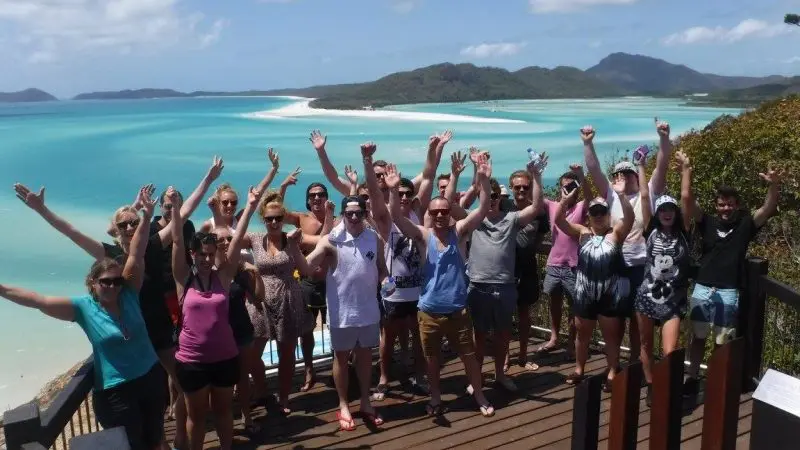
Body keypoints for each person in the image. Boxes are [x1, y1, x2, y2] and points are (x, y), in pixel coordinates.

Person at [14, 158, 222, 449]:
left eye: (133, 223)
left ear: (140, 225)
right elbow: (71, 232)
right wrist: (42, 210)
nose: (128, 227)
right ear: (115, 229)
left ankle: (180, 436)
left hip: (159, 327)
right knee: (150, 405)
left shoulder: (150, 244)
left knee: (182, 382)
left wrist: (208, 180)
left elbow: (184, 211)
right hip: (130, 339)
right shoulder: (107, 256)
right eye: (123, 224)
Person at [3, 188, 165, 450]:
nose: (112, 286)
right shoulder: (83, 308)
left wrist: (146, 217)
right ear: (92, 282)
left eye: (116, 281)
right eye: (105, 282)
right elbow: (37, 300)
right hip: (116, 392)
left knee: (156, 440)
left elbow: (136, 253)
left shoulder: (130, 294)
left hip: (151, 379)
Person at [386, 155, 496, 418]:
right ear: (429, 214)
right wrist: (392, 190)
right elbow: (397, 219)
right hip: (429, 312)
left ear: (449, 213)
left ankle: (479, 394)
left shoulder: (459, 232)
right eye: (434, 212)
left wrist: (482, 179)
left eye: (443, 212)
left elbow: (482, 210)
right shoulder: (424, 238)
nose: (438, 216)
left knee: (469, 357)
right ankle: (436, 397)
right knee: (432, 360)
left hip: (458, 310)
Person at [679, 151, 782, 397]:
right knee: (698, 337)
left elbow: (767, 209)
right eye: (721, 204)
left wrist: (774, 184)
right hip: (703, 287)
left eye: (730, 204)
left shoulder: (745, 225)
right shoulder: (707, 222)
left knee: (722, 341)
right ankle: (692, 377)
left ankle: (717, 378)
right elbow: (687, 199)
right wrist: (686, 170)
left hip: (728, 290)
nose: (725, 208)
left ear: (737, 206)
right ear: (716, 206)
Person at [170, 182, 263, 450]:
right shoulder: (182, 279)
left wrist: (251, 205)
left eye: (210, 255)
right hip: (191, 361)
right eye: (200, 255)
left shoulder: (223, 277)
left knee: (224, 412)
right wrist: (176, 208)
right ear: (192, 254)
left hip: (225, 357)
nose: (206, 260)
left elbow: (237, 237)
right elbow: (176, 240)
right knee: (197, 417)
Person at [360, 137, 444, 400]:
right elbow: (374, 193)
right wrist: (368, 161)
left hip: (419, 290)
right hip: (394, 292)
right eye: (401, 194)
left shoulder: (419, 215)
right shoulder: (384, 218)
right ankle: (384, 378)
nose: (405, 197)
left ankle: (419, 377)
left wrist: (433, 149)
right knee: (389, 339)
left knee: (419, 340)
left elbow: (429, 174)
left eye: (409, 193)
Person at [582, 122, 673, 361]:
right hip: (616, 266)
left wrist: (664, 139)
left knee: (639, 320)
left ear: (635, 174)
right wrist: (588, 143)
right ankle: (614, 367)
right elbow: (594, 170)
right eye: (617, 174)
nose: (621, 177)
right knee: (615, 317)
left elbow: (662, 164)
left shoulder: (650, 190)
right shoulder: (612, 195)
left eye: (626, 173)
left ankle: (636, 364)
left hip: (642, 267)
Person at [299, 195, 390, 431]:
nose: (353, 217)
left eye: (358, 212)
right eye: (348, 213)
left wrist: (386, 281)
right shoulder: (331, 240)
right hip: (342, 314)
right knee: (340, 358)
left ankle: (366, 402)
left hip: (369, 311)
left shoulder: (374, 238)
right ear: (342, 214)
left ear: (364, 213)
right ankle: (343, 404)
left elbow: (382, 269)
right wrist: (292, 247)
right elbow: (307, 268)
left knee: (365, 357)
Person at [467, 159, 545, 392]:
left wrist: (537, 177)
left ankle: (500, 374)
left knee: (502, 335)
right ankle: (477, 377)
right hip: (478, 284)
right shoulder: (474, 219)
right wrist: (477, 177)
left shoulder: (511, 219)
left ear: (500, 198)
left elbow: (536, 206)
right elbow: (451, 206)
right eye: (486, 196)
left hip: (505, 285)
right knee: (478, 336)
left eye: (494, 196)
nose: (491, 200)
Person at [555, 187, 634, 391]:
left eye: (602, 212)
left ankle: (612, 371)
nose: (598, 216)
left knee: (611, 337)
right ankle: (579, 370)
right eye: (594, 212)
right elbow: (559, 221)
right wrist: (564, 202)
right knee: (582, 335)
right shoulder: (582, 232)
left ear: (608, 214)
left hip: (609, 295)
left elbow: (631, 218)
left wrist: (622, 196)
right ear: (588, 216)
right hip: (584, 294)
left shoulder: (616, 233)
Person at [246, 191, 317, 415]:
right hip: (261, 301)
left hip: (288, 300)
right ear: (263, 220)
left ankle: (284, 398)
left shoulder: (292, 240)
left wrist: (298, 249)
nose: (274, 222)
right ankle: (262, 390)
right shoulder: (255, 239)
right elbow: (230, 235)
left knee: (286, 354)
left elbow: (305, 270)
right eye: (269, 218)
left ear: (283, 218)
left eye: (278, 218)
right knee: (251, 354)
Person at [278, 171, 336, 392]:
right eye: (312, 196)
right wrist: (283, 186)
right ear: (308, 200)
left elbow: (332, 241)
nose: (317, 198)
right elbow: (277, 213)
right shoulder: (302, 218)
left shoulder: (337, 220)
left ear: (326, 197)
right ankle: (309, 369)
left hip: (330, 283)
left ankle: (336, 366)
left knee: (334, 328)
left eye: (321, 194)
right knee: (306, 331)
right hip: (307, 283)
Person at [149, 188, 195, 423]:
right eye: (167, 205)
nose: (170, 209)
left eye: (175, 204)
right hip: (158, 295)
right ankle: (173, 404)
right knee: (171, 354)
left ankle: (178, 403)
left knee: (178, 352)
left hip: (181, 292)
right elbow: (113, 232)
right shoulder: (150, 228)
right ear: (160, 206)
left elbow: (189, 256)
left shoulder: (187, 226)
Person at [211, 226, 263, 434]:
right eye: (220, 239)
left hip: (241, 330)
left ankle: (246, 416)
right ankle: (223, 421)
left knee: (242, 377)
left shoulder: (241, 268)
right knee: (218, 380)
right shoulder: (207, 269)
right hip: (216, 334)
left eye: (229, 239)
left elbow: (258, 298)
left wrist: (257, 274)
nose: (225, 243)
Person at [539, 165, 592, 357]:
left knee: (574, 307)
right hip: (554, 264)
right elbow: (536, 198)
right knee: (554, 303)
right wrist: (537, 173)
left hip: (574, 265)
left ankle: (572, 342)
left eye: (572, 187)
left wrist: (581, 177)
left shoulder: (581, 206)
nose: (568, 190)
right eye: (564, 186)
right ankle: (554, 337)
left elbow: (590, 196)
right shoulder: (553, 206)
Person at [503, 167, 550, 373]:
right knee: (504, 316)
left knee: (524, 315)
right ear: (511, 188)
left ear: (530, 187)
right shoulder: (503, 207)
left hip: (527, 268)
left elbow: (540, 237)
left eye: (525, 186)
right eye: (517, 187)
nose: (521, 190)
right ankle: (504, 357)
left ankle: (522, 355)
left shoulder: (539, 212)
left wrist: (529, 248)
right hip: (504, 269)